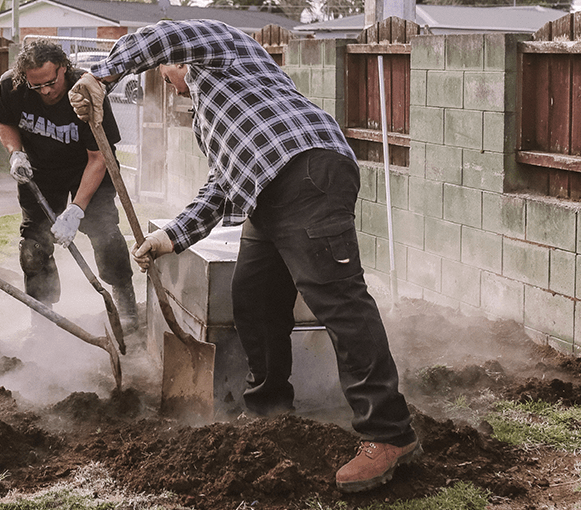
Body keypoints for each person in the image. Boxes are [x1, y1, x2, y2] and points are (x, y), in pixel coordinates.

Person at [70, 19, 421, 493]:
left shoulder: (226, 51)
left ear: (178, 61)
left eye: (164, 73)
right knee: (253, 298)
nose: (167, 85)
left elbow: (163, 36)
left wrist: (103, 75)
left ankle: (389, 432)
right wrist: (170, 237)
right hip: (265, 197)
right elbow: (221, 186)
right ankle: (269, 411)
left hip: (305, 169)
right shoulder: (210, 117)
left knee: (339, 302)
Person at [0, 39, 138, 333]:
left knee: (105, 233)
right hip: (40, 172)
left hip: (88, 168)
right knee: (33, 245)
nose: (45, 91)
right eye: (36, 86)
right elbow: (5, 121)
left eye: (50, 82)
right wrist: (15, 153)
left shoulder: (85, 93)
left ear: (63, 68)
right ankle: (43, 317)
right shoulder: (11, 86)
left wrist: (76, 210)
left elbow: (99, 158)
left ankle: (125, 303)